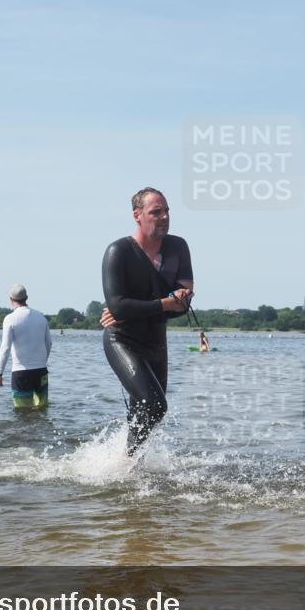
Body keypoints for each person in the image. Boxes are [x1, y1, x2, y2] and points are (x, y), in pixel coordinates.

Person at [101, 187, 193, 454]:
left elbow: (183, 305)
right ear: (137, 216)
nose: (164, 217)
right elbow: (118, 306)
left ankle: (127, 466)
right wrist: (165, 302)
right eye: (156, 212)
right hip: (122, 340)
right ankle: (128, 465)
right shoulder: (118, 251)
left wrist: (139, 307)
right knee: (155, 405)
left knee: (145, 413)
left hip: (156, 343)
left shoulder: (178, 247)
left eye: (167, 211)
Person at [0, 284, 52, 409]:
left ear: (11, 299)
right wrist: (42, 361)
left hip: (21, 373)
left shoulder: (10, 319)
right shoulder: (41, 317)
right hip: (41, 371)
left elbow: (5, 348)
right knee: (42, 408)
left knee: (22, 412)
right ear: (26, 298)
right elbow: (49, 343)